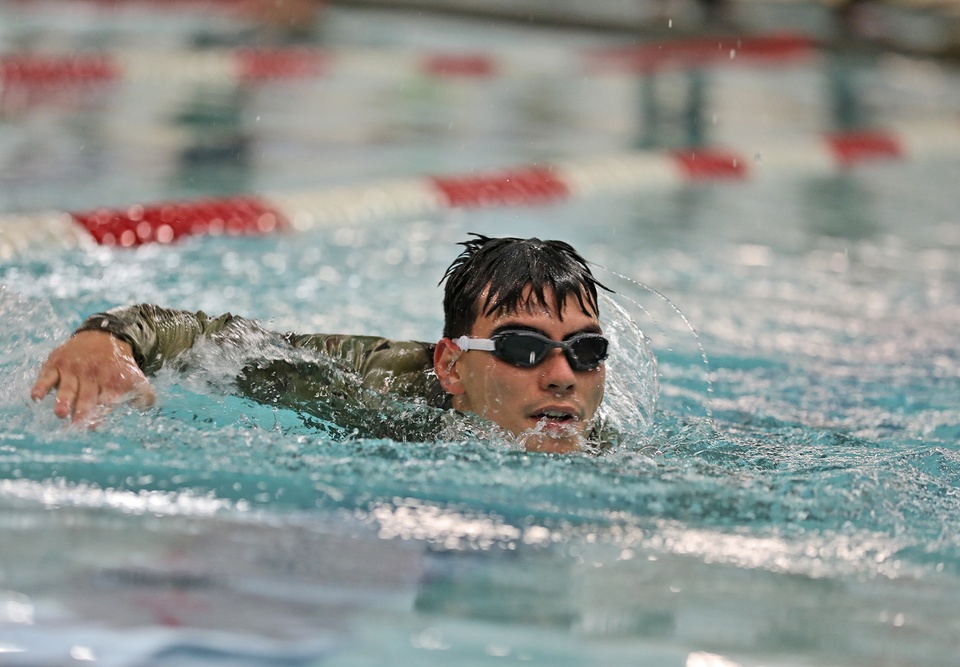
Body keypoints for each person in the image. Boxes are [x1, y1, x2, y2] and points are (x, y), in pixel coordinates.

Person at [31, 234, 617, 453]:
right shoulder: (371, 384)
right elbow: (212, 342)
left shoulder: (613, 450)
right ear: (452, 365)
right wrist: (104, 338)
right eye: (523, 348)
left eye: (586, 350)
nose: (564, 375)